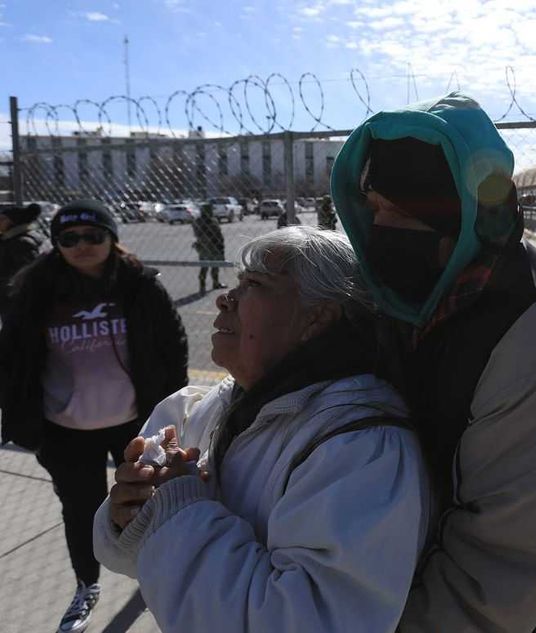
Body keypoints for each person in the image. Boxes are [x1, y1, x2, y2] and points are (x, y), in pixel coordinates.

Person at [330, 93, 536, 632]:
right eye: (371, 209)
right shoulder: (410, 302)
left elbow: (492, 585)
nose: (374, 229)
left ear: (453, 221)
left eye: (393, 211)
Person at [93, 226, 429, 632]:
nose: (225, 297)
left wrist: (178, 507)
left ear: (316, 318)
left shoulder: (361, 448)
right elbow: (134, 561)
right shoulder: (201, 408)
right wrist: (127, 515)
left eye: (254, 283)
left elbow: (305, 621)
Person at [0, 199, 188, 633]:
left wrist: (170, 406)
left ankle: (152, 571)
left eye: (94, 236)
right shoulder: (35, 290)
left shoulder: (139, 286)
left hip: (135, 424)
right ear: (56, 243)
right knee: (81, 510)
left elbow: (173, 346)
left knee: (148, 502)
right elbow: (12, 359)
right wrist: (24, 421)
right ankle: (87, 584)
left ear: (112, 238)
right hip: (65, 429)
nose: (82, 245)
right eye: (70, 238)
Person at [0, 203, 45, 318]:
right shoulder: (10, 240)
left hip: (17, 299)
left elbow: (29, 273)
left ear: (14, 222)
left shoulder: (21, 243)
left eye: (3, 219)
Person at [192, 202, 227, 294]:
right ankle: (203, 286)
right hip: (207, 246)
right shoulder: (201, 222)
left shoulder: (210, 220)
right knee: (205, 266)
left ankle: (215, 283)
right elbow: (200, 234)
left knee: (214, 265)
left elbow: (218, 233)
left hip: (212, 246)